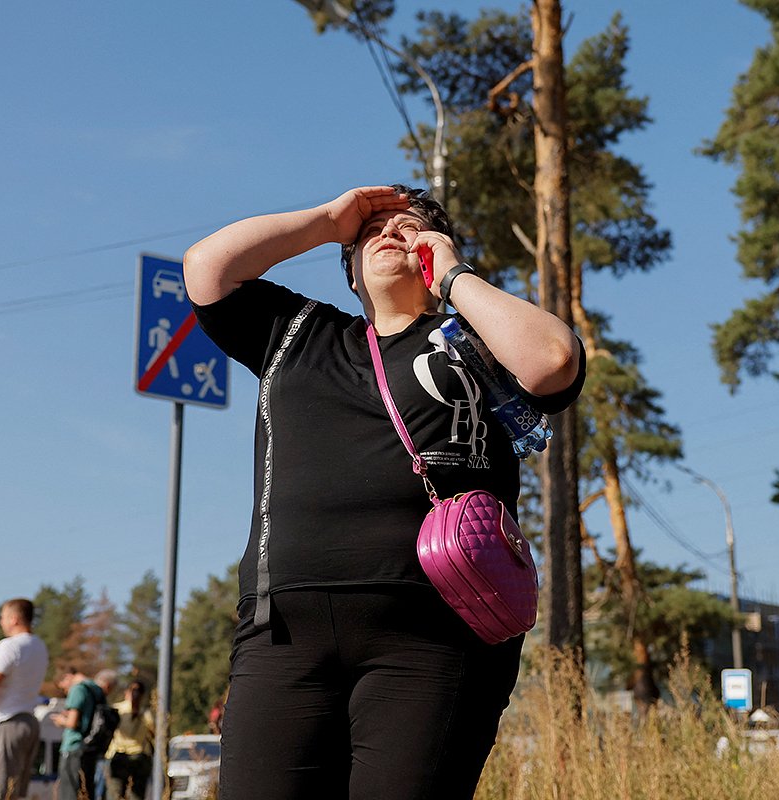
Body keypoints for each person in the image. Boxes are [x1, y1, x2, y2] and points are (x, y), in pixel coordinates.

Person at [183, 185, 585, 800]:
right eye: (373, 229)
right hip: (282, 633)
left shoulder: (476, 341)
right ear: (349, 270)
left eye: (412, 225)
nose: (392, 231)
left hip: (436, 632)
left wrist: (452, 275)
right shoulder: (297, 332)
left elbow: (555, 361)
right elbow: (207, 269)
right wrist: (325, 221)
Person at [0, 598, 49, 800]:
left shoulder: (9, 647)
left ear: (14, 619)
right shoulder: (39, 646)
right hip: (29, 721)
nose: (1, 622)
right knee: (16, 793)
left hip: (7, 723)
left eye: (3, 617)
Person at [51, 669, 117, 800]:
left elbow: (72, 722)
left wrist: (60, 720)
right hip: (89, 748)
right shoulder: (97, 690)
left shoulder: (78, 689)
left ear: (67, 677)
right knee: (85, 791)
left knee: (69, 793)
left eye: (63, 689)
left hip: (74, 747)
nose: (64, 692)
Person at [104, 681, 155, 800]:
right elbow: (154, 736)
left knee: (115, 795)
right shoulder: (147, 713)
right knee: (136, 796)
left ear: (126, 692)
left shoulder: (117, 709)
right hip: (137, 758)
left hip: (121, 757)